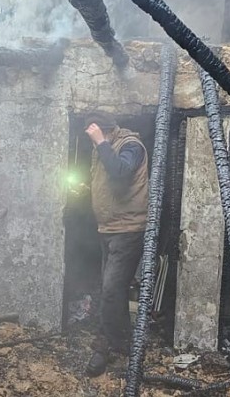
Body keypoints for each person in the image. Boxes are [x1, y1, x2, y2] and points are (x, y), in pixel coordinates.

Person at [83, 111, 148, 377]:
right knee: (115, 289)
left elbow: (120, 172)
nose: (94, 141)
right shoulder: (104, 147)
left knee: (110, 290)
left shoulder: (131, 146)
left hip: (128, 230)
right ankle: (123, 342)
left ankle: (104, 346)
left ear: (107, 130)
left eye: (97, 135)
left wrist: (100, 142)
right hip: (109, 229)